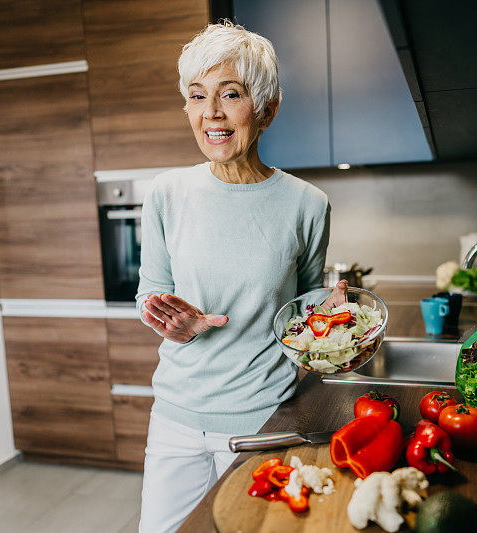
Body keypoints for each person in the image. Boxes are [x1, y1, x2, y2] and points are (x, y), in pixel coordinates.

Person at [135, 22, 346, 532]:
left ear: (267, 109)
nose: (211, 113)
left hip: (264, 419)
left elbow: (302, 314)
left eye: (230, 94)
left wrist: (332, 318)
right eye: (197, 96)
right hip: (175, 419)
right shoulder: (166, 193)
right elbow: (149, 293)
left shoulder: (307, 204)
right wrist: (171, 322)